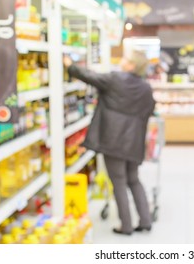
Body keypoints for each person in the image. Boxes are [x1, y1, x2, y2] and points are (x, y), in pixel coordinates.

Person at [63, 50, 155, 236]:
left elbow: (90, 76)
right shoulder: (145, 88)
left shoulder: (115, 79)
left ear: (131, 65)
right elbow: (150, 109)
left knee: (119, 182)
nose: (122, 60)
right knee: (134, 180)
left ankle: (126, 225)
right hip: (134, 140)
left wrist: (69, 66)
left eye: (125, 58)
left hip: (113, 139)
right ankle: (146, 220)